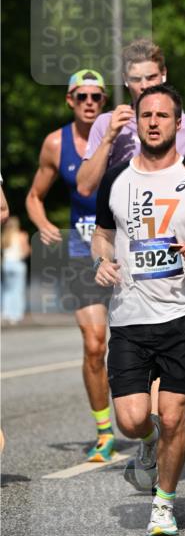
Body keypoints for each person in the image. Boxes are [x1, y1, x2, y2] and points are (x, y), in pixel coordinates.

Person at [92, 84, 185, 536]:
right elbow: (101, 233)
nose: (154, 121)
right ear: (136, 121)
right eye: (146, 115)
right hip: (130, 316)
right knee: (133, 421)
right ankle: (148, 446)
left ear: (178, 122)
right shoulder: (116, 177)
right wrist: (102, 259)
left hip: (182, 312)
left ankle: (164, 504)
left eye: (163, 115)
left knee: (173, 416)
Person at [77, 39, 185, 413]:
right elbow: (86, 186)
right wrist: (111, 137)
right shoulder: (105, 123)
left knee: (183, 324)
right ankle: (137, 425)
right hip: (124, 251)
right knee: (99, 343)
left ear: (163, 76)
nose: (145, 86)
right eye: (136, 79)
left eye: (151, 77)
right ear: (126, 82)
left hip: (177, 254)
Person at [25, 70, 116, 460]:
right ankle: (104, 430)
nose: (90, 102)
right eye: (82, 96)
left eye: (97, 96)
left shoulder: (122, 135)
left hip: (125, 250)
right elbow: (33, 195)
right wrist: (44, 226)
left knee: (141, 342)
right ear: (70, 100)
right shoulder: (54, 143)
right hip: (81, 254)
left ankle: (149, 417)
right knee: (95, 345)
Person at [1, 216, 30, 323]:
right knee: (18, 290)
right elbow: (26, 251)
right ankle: (16, 315)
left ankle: (6, 313)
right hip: (17, 263)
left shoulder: (5, 237)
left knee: (7, 290)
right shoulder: (21, 235)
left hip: (6, 264)